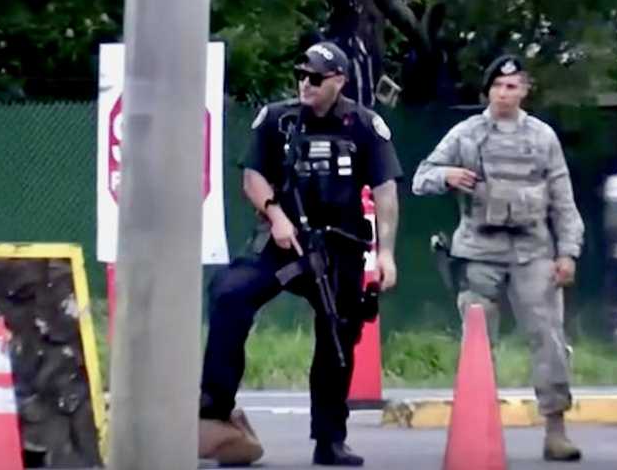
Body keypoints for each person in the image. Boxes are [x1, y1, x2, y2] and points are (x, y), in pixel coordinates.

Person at [198, 41, 402, 466]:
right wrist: (275, 215)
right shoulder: (278, 119)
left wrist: (386, 254)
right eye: (301, 75)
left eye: (315, 78)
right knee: (231, 293)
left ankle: (330, 439)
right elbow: (253, 176)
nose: (305, 83)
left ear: (339, 81)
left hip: (340, 247)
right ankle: (214, 404)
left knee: (338, 334)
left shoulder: (364, 124)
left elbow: (385, 192)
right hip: (285, 242)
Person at [412, 54, 585, 462]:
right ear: (488, 90)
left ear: (524, 90)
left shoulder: (542, 137)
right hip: (479, 252)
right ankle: (476, 427)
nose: (504, 93)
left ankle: (556, 430)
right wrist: (447, 176)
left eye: (512, 86)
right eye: (497, 86)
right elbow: (421, 178)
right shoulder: (466, 134)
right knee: (478, 344)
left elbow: (563, 201)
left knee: (548, 339)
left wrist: (568, 252)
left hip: (533, 251)